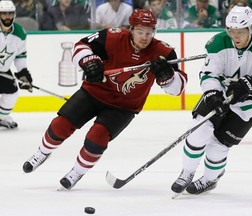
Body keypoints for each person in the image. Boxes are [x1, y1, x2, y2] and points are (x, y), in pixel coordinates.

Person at [22, 9, 188, 190]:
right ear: (131, 29)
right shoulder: (112, 36)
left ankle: (76, 172)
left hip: (123, 107)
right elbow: (81, 46)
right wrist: (89, 61)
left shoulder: (163, 51)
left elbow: (177, 89)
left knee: (97, 139)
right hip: (93, 93)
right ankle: (42, 152)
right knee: (60, 126)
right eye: (140, 32)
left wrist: (167, 76)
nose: (144, 37)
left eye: (149, 33)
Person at [171, 5, 252, 196]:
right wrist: (213, 93)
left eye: (240, 32)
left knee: (218, 146)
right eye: (232, 31)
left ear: (251, 28)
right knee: (197, 130)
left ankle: (210, 179)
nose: (235, 37)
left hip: (248, 106)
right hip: (221, 94)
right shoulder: (218, 42)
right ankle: (186, 172)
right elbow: (209, 73)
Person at [0, 0, 33, 129]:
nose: (7, 17)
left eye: (10, 13)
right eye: (3, 14)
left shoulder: (20, 33)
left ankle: (1, 117)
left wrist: (23, 73)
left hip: (3, 70)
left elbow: (20, 56)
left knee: (12, 93)